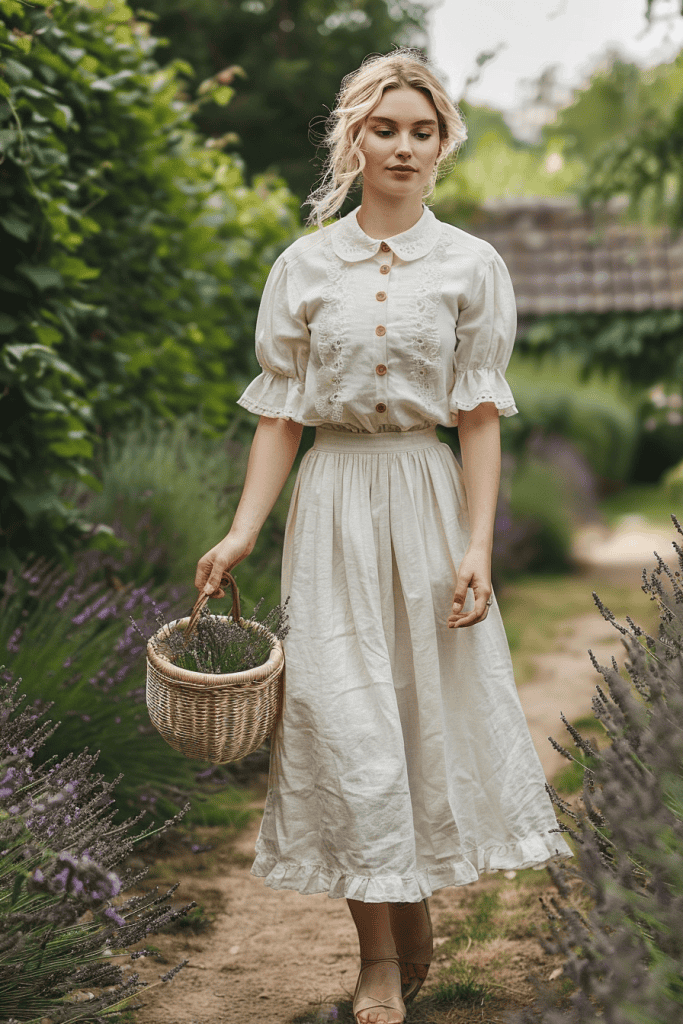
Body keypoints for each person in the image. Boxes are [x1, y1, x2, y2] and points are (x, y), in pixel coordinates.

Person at [195, 47, 573, 1024]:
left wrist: (478, 548)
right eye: (383, 128)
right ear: (353, 138)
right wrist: (242, 532)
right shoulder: (304, 264)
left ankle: (408, 916)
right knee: (344, 719)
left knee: (415, 723)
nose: (402, 146)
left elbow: (479, 415)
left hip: (425, 493)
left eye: (420, 130)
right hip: (331, 501)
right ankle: (374, 958)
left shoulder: (470, 267)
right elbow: (279, 413)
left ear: (442, 143)